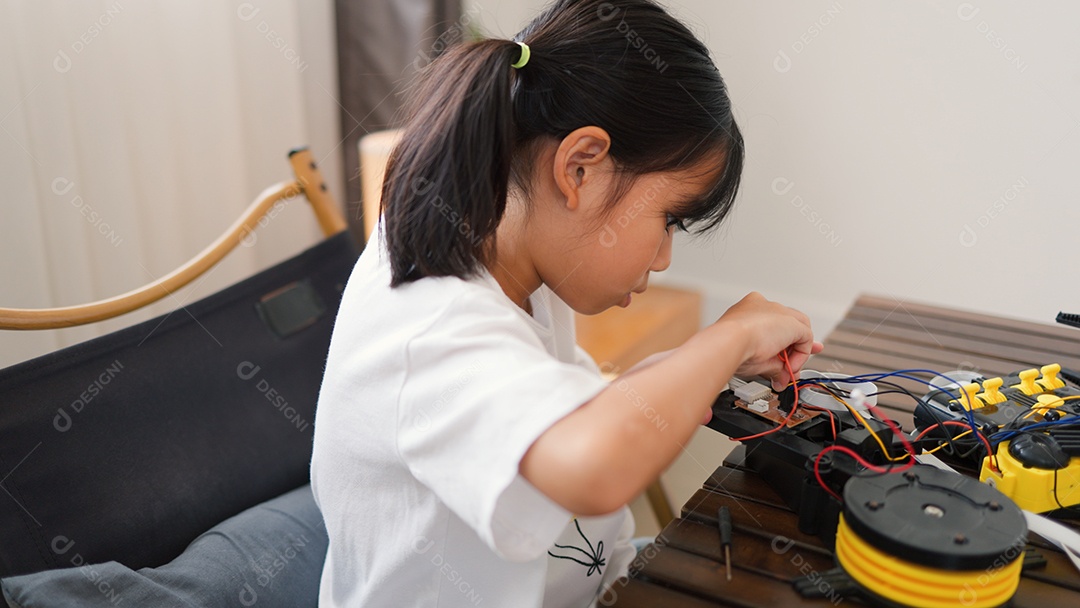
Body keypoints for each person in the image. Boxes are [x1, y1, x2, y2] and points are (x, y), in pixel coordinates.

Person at [310, 0, 822, 606]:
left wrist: (707, 364)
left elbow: (583, 412)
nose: (663, 257)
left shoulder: (506, 256)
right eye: (669, 220)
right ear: (581, 167)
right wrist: (725, 339)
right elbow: (593, 467)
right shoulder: (430, 326)